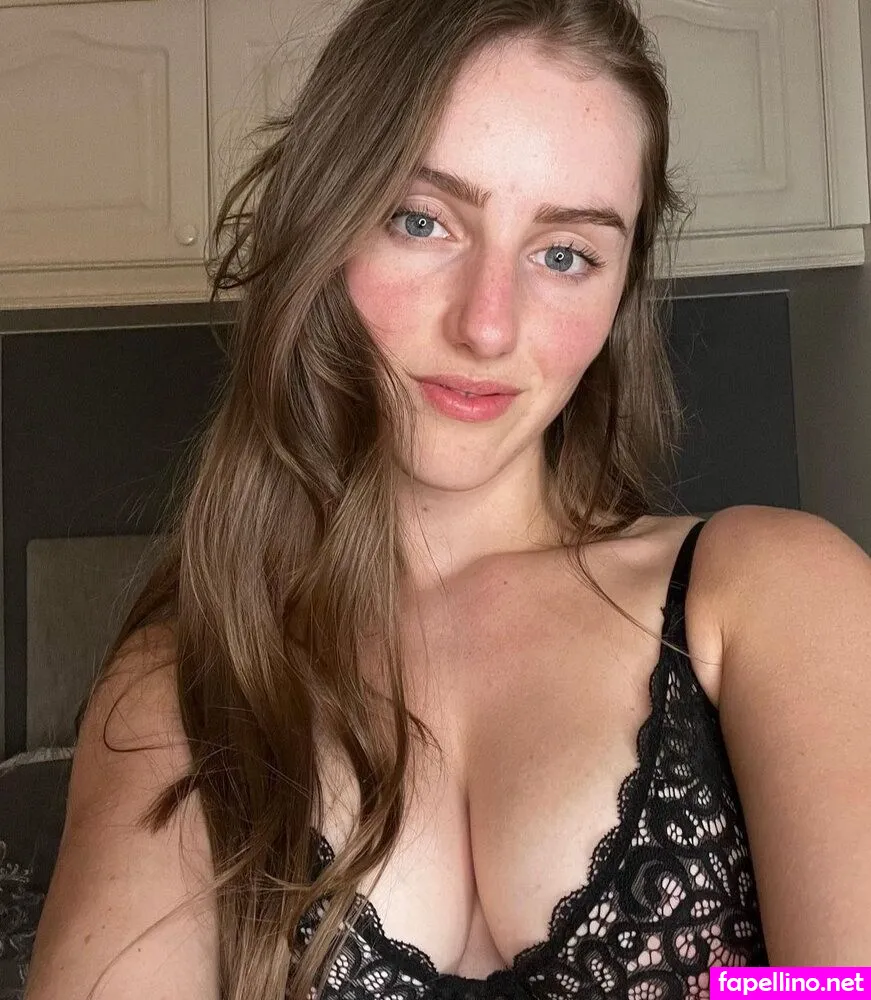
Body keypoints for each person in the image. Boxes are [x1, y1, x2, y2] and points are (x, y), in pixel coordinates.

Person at [24, 0, 871, 998]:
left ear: (617, 291)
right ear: (325, 222)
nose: (487, 325)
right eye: (420, 220)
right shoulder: (185, 681)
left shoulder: (771, 592)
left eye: (564, 253)